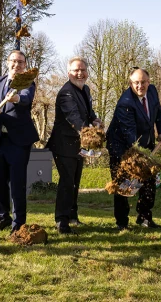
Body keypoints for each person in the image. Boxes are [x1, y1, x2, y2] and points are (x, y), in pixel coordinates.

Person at [0, 50, 39, 233]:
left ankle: (18, 224)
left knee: (17, 183)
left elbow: (26, 98)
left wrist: (16, 98)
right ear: (8, 62)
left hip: (20, 140)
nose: (17, 65)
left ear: (25, 65)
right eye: (14, 61)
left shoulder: (26, 82)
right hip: (1, 139)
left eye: (21, 62)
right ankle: (3, 217)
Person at [106, 68, 161, 230]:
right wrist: (141, 157)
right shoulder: (125, 103)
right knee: (122, 183)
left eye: (143, 82)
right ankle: (122, 222)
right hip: (121, 146)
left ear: (149, 82)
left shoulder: (152, 91)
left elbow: (159, 111)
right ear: (130, 83)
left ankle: (144, 217)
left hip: (144, 143)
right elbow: (130, 134)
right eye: (136, 83)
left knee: (149, 181)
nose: (140, 86)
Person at [46, 57, 102, 234]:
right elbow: (73, 116)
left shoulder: (85, 89)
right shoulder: (66, 93)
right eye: (76, 70)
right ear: (68, 72)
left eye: (83, 70)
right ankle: (61, 221)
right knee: (67, 181)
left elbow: (87, 111)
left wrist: (94, 119)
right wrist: (88, 133)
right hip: (64, 144)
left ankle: (72, 216)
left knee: (75, 181)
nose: (80, 73)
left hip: (78, 144)